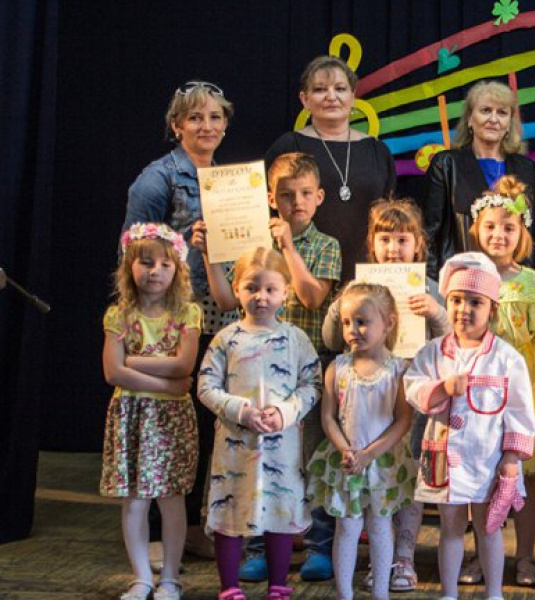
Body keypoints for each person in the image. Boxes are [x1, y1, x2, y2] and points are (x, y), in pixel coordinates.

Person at [195, 152, 342, 581]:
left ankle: (318, 546)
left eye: (304, 194)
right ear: (271, 199)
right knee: (259, 461)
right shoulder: (251, 245)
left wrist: (289, 247)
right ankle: (257, 545)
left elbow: (312, 297)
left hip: (303, 370)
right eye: (286, 195)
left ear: (319, 197)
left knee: (309, 460)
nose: (296, 202)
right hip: (253, 375)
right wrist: (209, 254)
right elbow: (226, 299)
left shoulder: (326, 245)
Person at [123, 80, 235, 563]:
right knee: (162, 420)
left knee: (202, 424)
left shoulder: (231, 181)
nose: (206, 126)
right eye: (195, 118)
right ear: (176, 125)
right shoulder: (157, 179)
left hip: (220, 311)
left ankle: (191, 524)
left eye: (215, 117)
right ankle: (156, 530)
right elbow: (132, 254)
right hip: (170, 314)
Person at [320, 198, 449, 592]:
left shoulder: (428, 288)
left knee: (407, 479)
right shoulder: (358, 289)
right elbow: (331, 339)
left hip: (412, 398)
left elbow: (450, 343)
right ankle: (378, 561)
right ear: (372, 244)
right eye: (385, 239)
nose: (393, 248)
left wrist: (436, 312)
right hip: (365, 402)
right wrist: (341, 304)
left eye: (402, 240)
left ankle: (404, 557)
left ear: (418, 244)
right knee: (369, 486)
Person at [403, 253, 535, 600]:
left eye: (475, 302)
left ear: (492, 308)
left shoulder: (506, 358)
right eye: (457, 300)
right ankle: (449, 593)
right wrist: (441, 388)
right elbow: (413, 387)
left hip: (486, 461)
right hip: (443, 459)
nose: (464, 309)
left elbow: (520, 411)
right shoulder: (432, 352)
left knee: (488, 527)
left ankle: (494, 593)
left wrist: (512, 457)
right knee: (450, 527)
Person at [197, 247, 322, 600]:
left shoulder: (296, 339)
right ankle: (229, 586)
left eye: (270, 289)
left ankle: (279, 584)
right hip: (234, 447)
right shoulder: (226, 339)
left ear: (286, 293)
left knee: (280, 509)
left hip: (282, 446)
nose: (261, 297)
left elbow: (312, 384)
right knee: (230, 509)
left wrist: (285, 412)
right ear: (237, 288)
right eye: (252, 287)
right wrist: (240, 410)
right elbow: (206, 386)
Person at [101, 223, 202, 600]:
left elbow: (183, 365)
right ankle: (141, 577)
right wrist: (168, 383)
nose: (155, 271)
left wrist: (133, 360)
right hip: (131, 414)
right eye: (146, 263)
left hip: (171, 419)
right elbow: (113, 372)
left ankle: (171, 577)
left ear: (177, 270)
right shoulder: (119, 316)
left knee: (171, 498)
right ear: (129, 267)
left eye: (164, 264)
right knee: (135, 499)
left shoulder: (187, 313)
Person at [461, 175, 535, 586]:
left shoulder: (531, 282)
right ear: (476, 230)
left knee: (524, 476)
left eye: (509, 227)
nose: (499, 234)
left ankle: (526, 556)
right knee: (481, 476)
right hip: (478, 390)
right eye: (491, 226)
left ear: (522, 234)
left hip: (519, 391)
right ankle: (484, 555)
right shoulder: (465, 275)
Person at [307, 283, 417, 600]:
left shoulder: (399, 370)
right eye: (346, 322)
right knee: (347, 527)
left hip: (382, 462)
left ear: (389, 323)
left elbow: (403, 420)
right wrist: (346, 450)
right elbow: (328, 417)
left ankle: (381, 593)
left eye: (362, 322)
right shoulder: (338, 367)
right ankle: (345, 595)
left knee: (381, 527)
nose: (352, 330)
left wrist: (369, 454)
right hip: (347, 462)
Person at [265, 55, 396, 280]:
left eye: (340, 89)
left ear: (353, 96)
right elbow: (263, 212)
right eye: (320, 89)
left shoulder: (377, 151)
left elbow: (391, 219)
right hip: (303, 275)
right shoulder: (288, 146)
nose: (331, 96)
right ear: (305, 99)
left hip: (367, 276)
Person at [424, 80, 535, 274]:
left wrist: (524, 280)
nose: (493, 119)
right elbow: (428, 234)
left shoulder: (527, 169)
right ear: (470, 119)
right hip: (459, 281)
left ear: (509, 124)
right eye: (486, 110)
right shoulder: (446, 165)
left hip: (513, 283)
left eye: (502, 113)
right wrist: (437, 284)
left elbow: (531, 235)